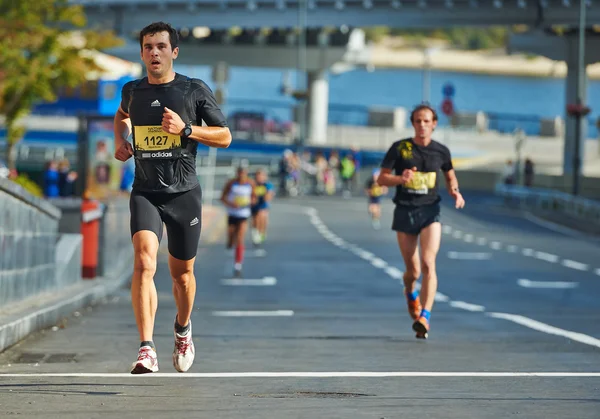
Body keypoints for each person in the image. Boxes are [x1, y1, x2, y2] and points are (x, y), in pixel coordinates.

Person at [113, 21, 232, 374]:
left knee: (181, 275)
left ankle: (182, 328)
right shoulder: (132, 91)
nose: (154, 53)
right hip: (146, 192)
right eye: (148, 47)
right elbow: (121, 117)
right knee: (144, 263)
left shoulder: (193, 90)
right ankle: (146, 347)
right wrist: (123, 141)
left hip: (183, 194)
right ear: (141, 53)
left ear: (174, 52)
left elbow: (225, 136)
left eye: (161, 47)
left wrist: (187, 129)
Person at [376, 104, 465, 340]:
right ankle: (409, 291)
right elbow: (381, 178)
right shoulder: (401, 148)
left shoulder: (441, 151)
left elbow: (449, 174)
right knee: (412, 271)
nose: (422, 125)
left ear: (434, 123)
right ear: (413, 123)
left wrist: (455, 192)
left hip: (430, 210)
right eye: (418, 121)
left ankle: (424, 316)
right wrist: (400, 178)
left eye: (426, 121)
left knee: (428, 262)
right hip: (405, 210)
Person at [221, 166, 255, 276]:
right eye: (240, 173)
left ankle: (238, 264)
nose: (241, 176)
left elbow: (254, 198)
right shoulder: (231, 183)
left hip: (243, 214)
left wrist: (249, 203)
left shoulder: (250, 183)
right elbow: (223, 197)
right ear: (237, 174)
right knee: (231, 238)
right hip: (232, 213)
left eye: (244, 174)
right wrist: (231, 204)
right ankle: (230, 242)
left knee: (240, 238)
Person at [250, 168, 274, 247]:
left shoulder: (267, 185)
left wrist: (266, 196)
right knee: (255, 219)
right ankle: (256, 233)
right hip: (254, 205)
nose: (259, 178)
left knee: (262, 217)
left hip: (263, 204)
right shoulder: (252, 184)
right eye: (258, 176)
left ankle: (262, 233)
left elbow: (269, 195)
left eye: (261, 176)